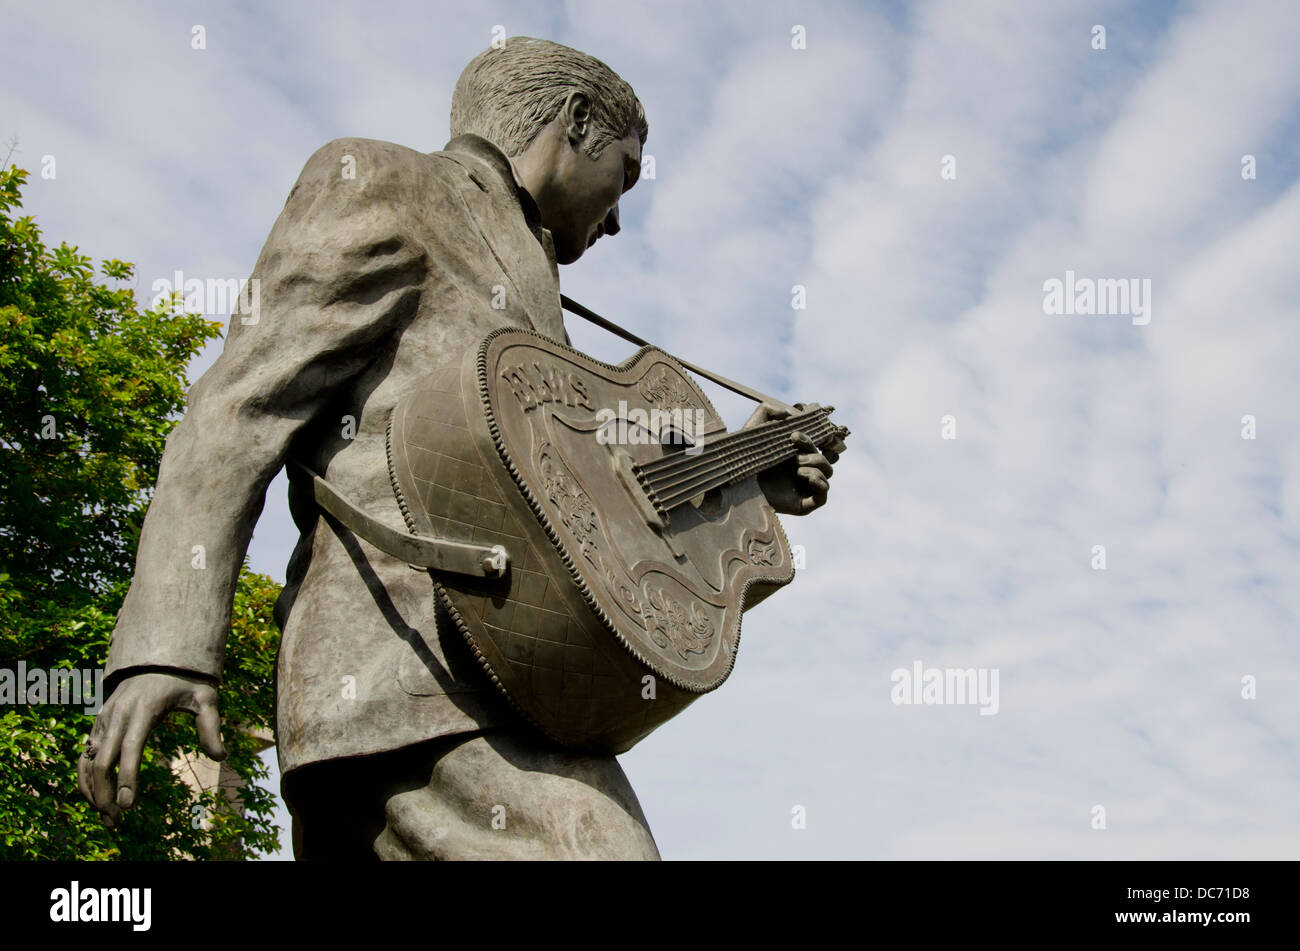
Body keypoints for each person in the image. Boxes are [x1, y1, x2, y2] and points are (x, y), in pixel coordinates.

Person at [78, 36, 838, 860]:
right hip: (405, 681)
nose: (620, 217)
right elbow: (235, 408)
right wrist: (167, 644)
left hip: (507, 686)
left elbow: (601, 530)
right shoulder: (381, 182)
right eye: (624, 173)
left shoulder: (533, 280)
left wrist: (742, 488)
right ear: (576, 121)